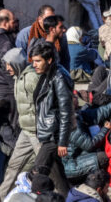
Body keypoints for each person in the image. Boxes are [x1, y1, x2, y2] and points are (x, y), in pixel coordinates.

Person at [0, 49, 46, 196]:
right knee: (14, 165)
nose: (7, 68)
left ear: (17, 63)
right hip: (26, 131)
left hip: (38, 132)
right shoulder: (19, 78)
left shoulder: (32, 77)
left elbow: (45, 103)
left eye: (9, 65)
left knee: (48, 169)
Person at [31, 42, 74, 196]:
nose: (34, 65)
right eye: (33, 60)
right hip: (47, 132)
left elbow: (65, 112)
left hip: (53, 136)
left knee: (37, 173)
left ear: (49, 60)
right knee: (60, 180)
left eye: (38, 61)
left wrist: (62, 141)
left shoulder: (59, 77)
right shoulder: (46, 75)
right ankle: (69, 199)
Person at [62, 93, 111, 181]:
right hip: (73, 164)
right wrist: (105, 129)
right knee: (105, 157)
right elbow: (90, 145)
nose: (76, 98)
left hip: (82, 154)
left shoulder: (77, 114)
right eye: (73, 97)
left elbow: (98, 113)